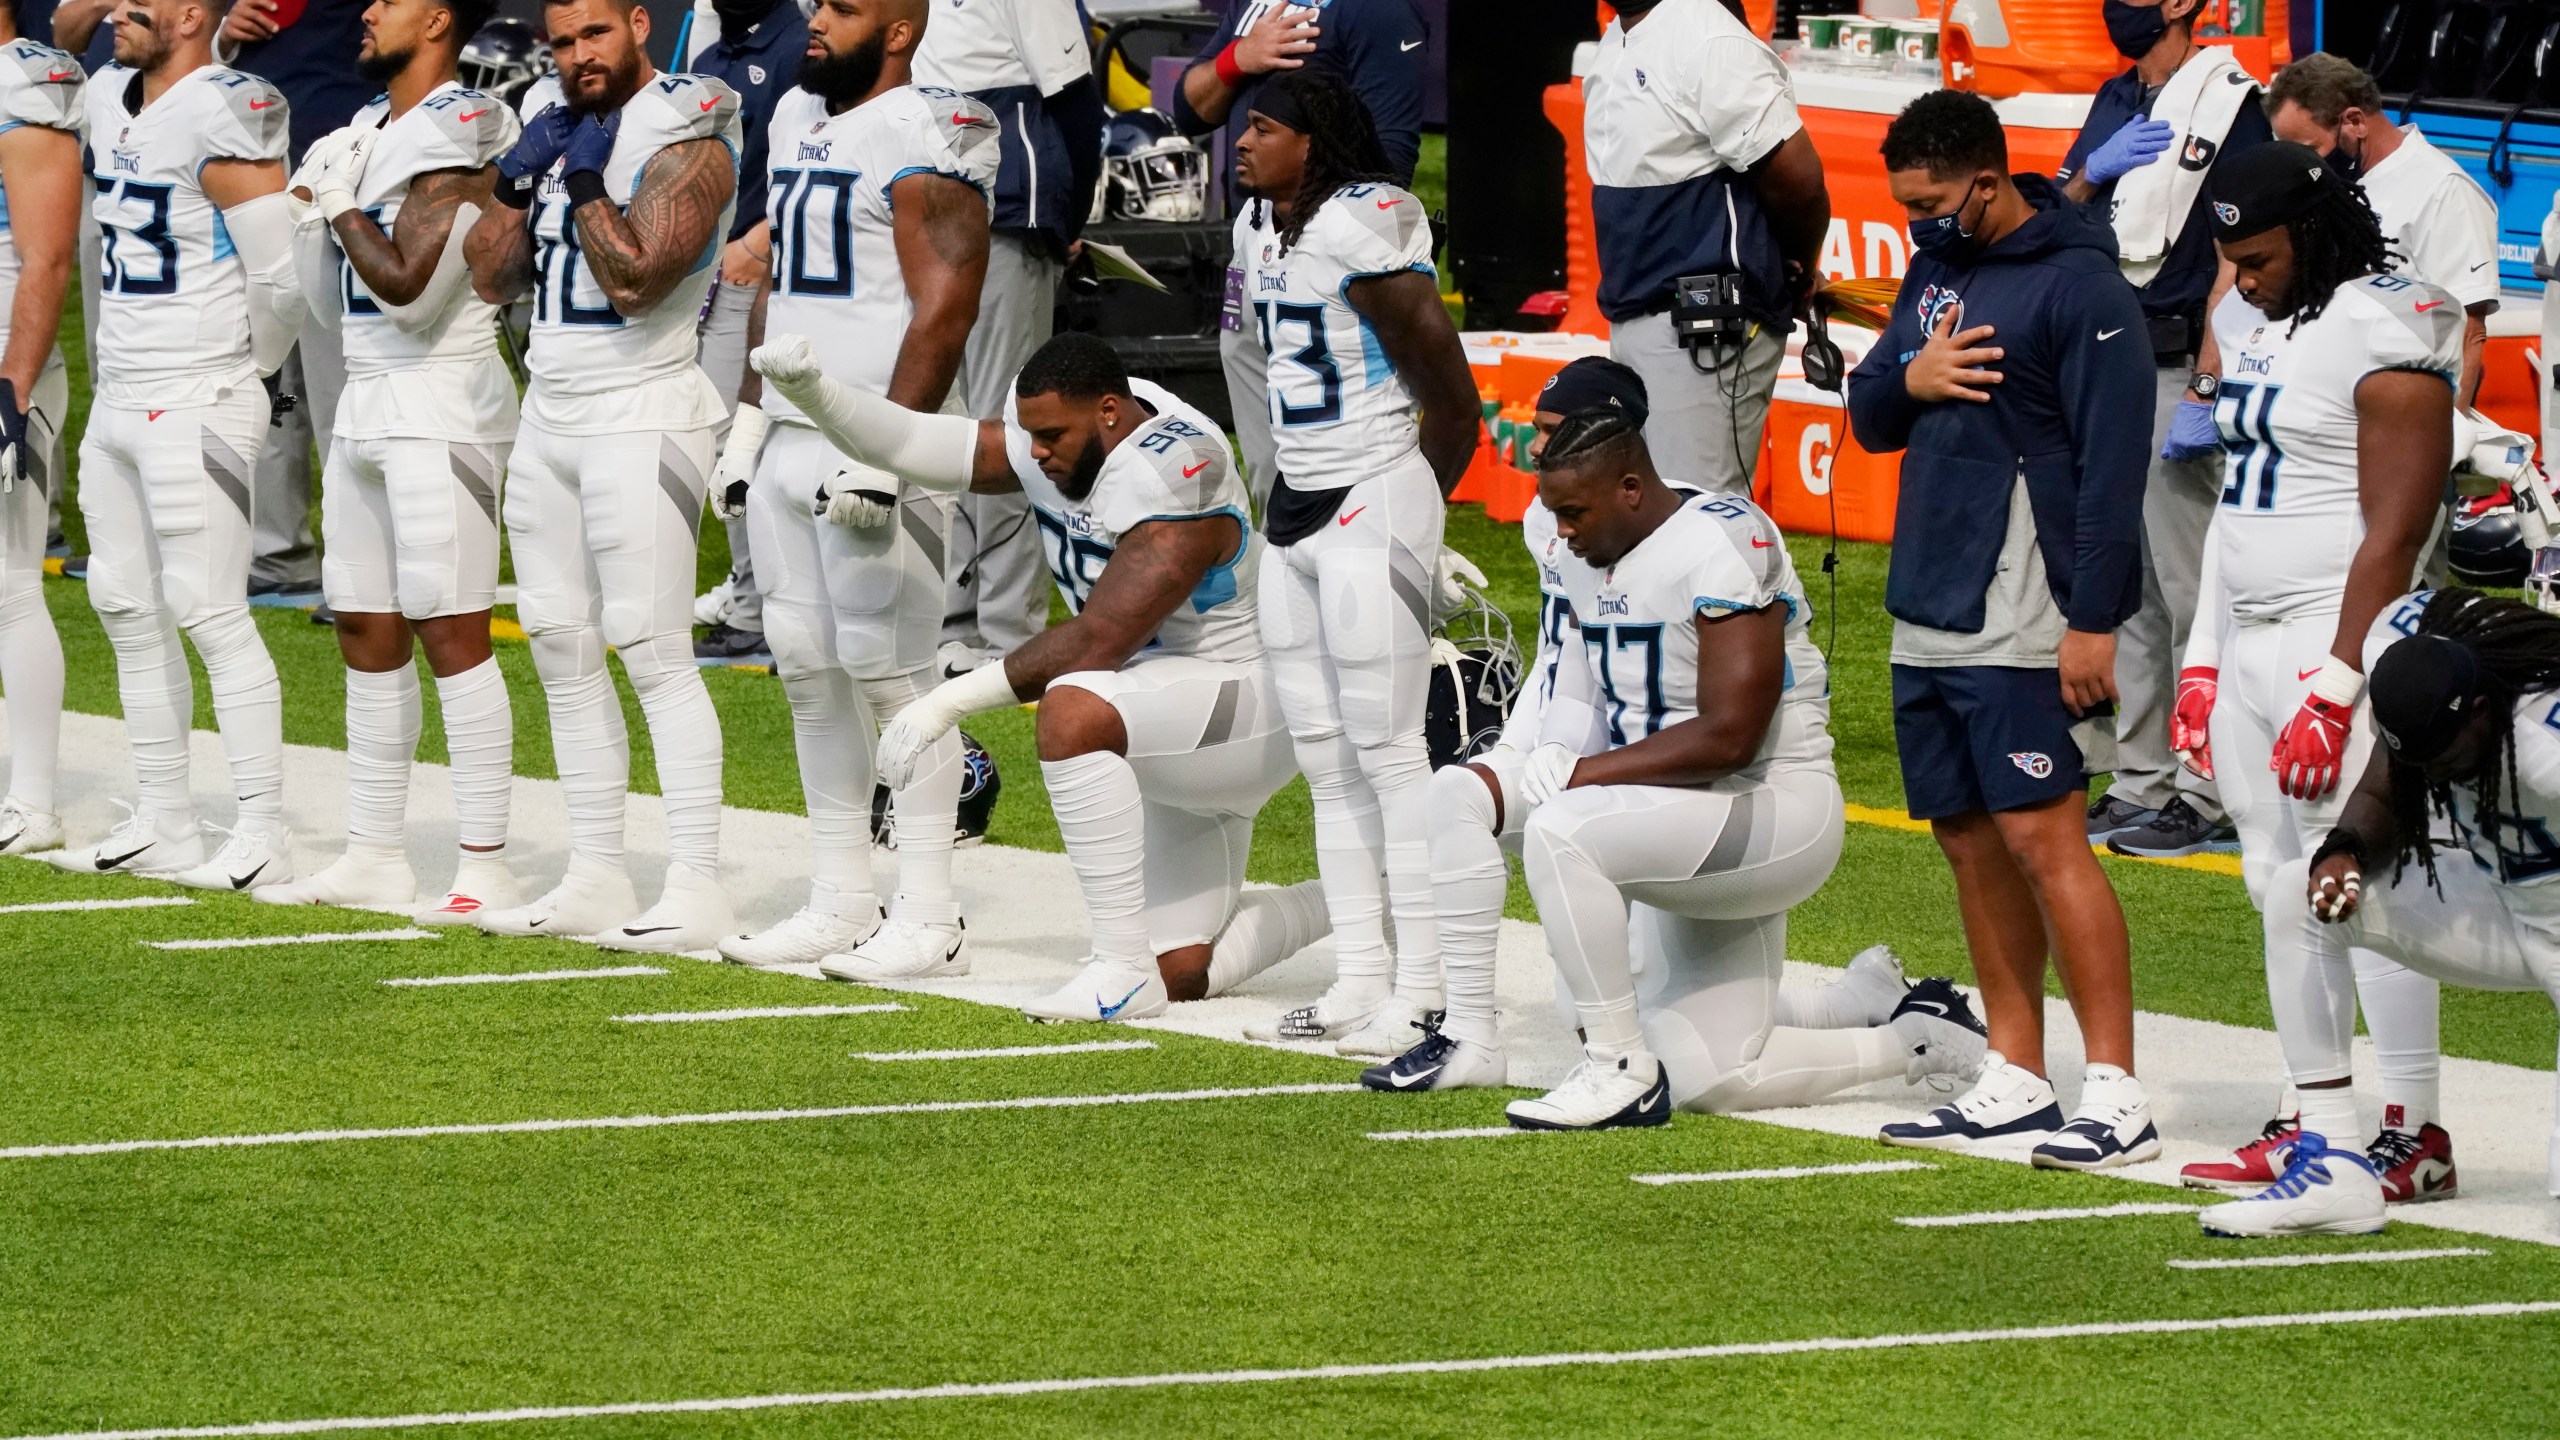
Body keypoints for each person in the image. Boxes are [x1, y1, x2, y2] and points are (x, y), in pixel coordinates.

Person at [1374, 380, 1990, 1112]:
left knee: (1568, 841)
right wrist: (1553, 755)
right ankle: (1473, 1034)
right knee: (1458, 795)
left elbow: (1730, 737)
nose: (1562, 532)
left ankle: (1625, 1068)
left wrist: (1582, 776)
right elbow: (1578, 689)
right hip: (1666, 808)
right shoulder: (1583, 543)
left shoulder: (1722, 540)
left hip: (1768, 807)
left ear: (1630, 489)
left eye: (1574, 513)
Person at [755, 330, 1337, 1018]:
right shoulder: (1066, 435)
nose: (1037, 454)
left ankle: (1115, 969)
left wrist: (943, 705)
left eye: (1053, 435)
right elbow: (921, 446)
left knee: (1073, 707)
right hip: (1164, 715)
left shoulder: (1179, 469)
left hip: (1246, 709)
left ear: (1111, 413)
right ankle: (1364, 898)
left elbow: (1102, 639)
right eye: (1031, 434)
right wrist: (815, 395)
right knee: (1182, 969)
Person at [1847, 90, 2159, 1170]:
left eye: (1929, 202)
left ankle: (2114, 1087)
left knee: (2042, 837)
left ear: (1986, 181)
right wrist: (1909, 375)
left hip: (2027, 605)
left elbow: (2116, 468)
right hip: (1927, 590)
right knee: (1967, 839)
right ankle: (2017, 1072)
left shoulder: (2082, 287)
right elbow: (1871, 411)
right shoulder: (1935, 270)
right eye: (1902, 206)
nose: (1913, 223)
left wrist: (2092, 623)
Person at [2169, 144, 2464, 1208]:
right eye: (2228, 261)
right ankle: (2316, 1123)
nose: (2240, 280)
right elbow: (2233, 513)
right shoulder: (2251, 321)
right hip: (2245, 633)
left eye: (2257, 257)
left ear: (2316, 233)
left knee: (2359, 886)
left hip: (2330, 634)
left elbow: (2396, 529)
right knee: (2273, 887)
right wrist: (2199, 663)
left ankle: (2410, 1127)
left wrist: (2338, 684)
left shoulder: (2384, 325)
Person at [710, 0, 991, 975]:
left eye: (844, 7)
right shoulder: (796, 112)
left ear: (901, 30)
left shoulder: (932, 129)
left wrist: (887, 453)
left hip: (876, 433)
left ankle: (929, 914)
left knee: (894, 677)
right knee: (804, 666)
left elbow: (946, 305)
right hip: (791, 431)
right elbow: (780, 286)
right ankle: (838, 897)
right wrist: (749, 422)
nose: (817, 20)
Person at [462, 0, 741, 951]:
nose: (577, 57)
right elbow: (491, 282)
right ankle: (594, 871)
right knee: (557, 641)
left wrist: (581, 173)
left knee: (650, 645)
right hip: (550, 408)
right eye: (563, 41)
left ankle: (698, 883)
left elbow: (635, 281)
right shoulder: (554, 115)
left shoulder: (688, 123)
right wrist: (512, 179)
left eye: (595, 36)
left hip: (646, 407)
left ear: (636, 23)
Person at [1225, 67, 1478, 1058]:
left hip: (1371, 490)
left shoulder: (1361, 222)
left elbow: (1447, 389)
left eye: (1262, 128)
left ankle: (1425, 988)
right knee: (1327, 763)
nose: (1241, 143)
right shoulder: (1262, 227)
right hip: (1293, 500)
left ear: (1312, 142)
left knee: (1388, 751)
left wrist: (1421, 507)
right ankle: (1363, 973)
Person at [252, 0, 523, 918]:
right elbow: (332, 313)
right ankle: (374, 851)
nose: (364, 11)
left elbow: (409, 293)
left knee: (451, 630)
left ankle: (486, 859)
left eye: (389, 0)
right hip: (367, 396)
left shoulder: (467, 122)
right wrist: (304, 227)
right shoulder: (369, 128)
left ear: (439, 19)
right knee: (365, 628)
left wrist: (333, 204)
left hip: (441, 401)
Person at [2199, 587, 2560, 1236]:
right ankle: (2334, 1166)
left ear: (2483, 713)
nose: (2435, 778)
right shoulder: (2404, 648)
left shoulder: (2545, 747)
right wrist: (2346, 850)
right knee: (2294, 892)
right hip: (2503, 905)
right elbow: (2386, 783)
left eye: (2444, 759)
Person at [47, 0, 303, 887]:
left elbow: (282, 275)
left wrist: (252, 372)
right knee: (123, 604)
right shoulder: (109, 90)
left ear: (194, 13)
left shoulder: (228, 104)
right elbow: (49, 64)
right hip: (120, 393)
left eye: (141, 1)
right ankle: (164, 816)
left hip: (199, 392)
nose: (122, 9)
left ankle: (265, 825)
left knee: (210, 611)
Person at [2062, 0, 2271, 861]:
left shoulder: (2232, 103)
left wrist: (2210, 382)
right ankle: (2143, 777)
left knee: (2189, 589)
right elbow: (2062, 208)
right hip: (2102, 362)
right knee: (2129, 586)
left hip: (2177, 361)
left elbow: (2245, 252)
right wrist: (2087, 174)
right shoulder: (2114, 98)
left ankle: (2209, 786)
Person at [916, 0, 1104, 681]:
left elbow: (1078, 103)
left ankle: (1005, 636)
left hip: (1006, 210)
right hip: (919, 210)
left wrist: (1069, 213)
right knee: (940, 422)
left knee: (1007, 424)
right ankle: (951, 621)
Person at [1179, 0, 1425, 516]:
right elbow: (1188, 109)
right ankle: (1279, 535)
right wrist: (1237, 59)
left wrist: (1314, 236)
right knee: (1243, 358)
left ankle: (1370, 517)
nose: (1246, 142)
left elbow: (1391, 160)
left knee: (1343, 405)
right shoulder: (1258, 4)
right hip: (1252, 233)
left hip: (1331, 246)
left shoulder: (1379, 11)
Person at [1581, 0, 1829, 498]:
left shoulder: (1708, 36)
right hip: (1637, 308)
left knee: (1701, 516)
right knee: (1651, 516)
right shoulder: (1619, 37)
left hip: (1705, 322)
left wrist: (1798, 267)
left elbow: (1798, 181)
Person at [218, 0, 380, 605]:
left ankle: (362, 572)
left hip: (341, 178)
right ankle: (278, 552)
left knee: (340, 380)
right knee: (263, 374)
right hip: (256, 183)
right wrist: (222, 36)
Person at [2267, 54, 2497, 411]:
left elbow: (2469, 332)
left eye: (2310, 150)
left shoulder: (2443, 189)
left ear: (2355, 121)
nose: (2304, 164)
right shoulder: (2335, 183)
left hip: (2404, 409)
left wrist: (2450, 439)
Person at [682, 0, 805, 665]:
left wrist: (761, 242)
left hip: (760, 271)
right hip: (713, 269)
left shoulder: (797, 48)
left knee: (746, 438)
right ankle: (753, 593)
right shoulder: (712, 58)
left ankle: (761, 605)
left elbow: (813, 159)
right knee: (720, 435)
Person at [0, 17, 82, 857]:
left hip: (2, 338)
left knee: (9, 583)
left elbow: (47, 256)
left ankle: (33, 799)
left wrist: (12, 387)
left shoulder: (23, 83)